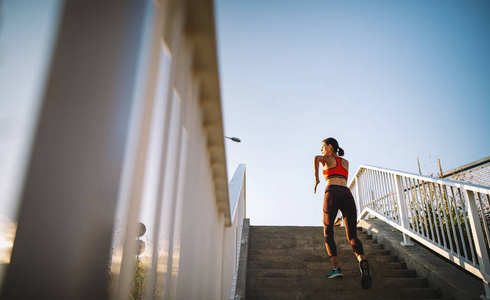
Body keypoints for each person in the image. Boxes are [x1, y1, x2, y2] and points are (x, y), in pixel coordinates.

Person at [314, 137, 372, 289]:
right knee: (352, 236)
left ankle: (335, 268)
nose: (321, 149)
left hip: (332, 193)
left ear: (330, 147)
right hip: (346, 194)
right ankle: (361, 259)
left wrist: (316, 179)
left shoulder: (327, 158)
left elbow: (316, 158)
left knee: (327, 232)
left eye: (323, 146)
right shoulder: (345, 162)